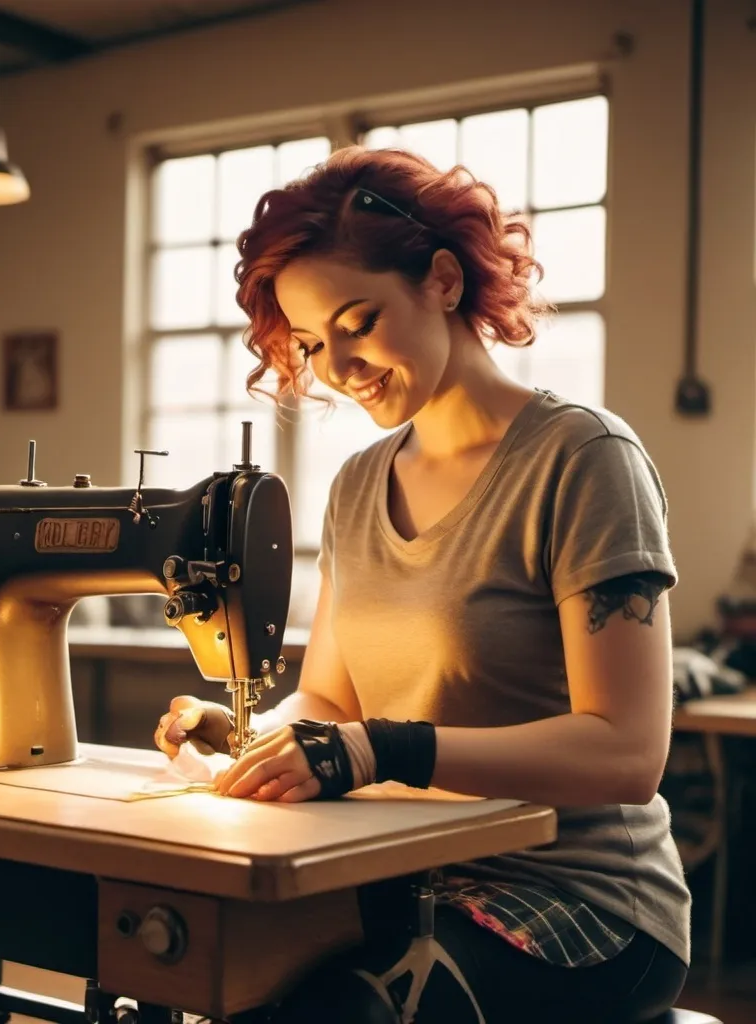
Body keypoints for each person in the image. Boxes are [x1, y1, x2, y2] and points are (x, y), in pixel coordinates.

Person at [153, 147, 690, 1023]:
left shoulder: (583, 460)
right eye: (314, 343)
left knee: (344, 1012)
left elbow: (627, 754)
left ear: (442, 279)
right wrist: (254, 737)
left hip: (584, 904)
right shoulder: (358, 484)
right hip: (400, 866)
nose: (337, 366)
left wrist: (381, 749)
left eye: (358, 322)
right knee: (197, 971)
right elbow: (330, 696)